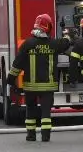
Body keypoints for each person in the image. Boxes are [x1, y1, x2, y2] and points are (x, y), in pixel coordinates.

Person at [8, 13, 63, 143]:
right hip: (48, 87)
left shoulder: (27, 44)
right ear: (48, 27)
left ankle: (31, 135)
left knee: (30, 110)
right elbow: (66, 43)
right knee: (46, 112)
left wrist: (11, 79)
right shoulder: (54, 44)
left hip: (30, 86)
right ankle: (45, 136)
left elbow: (17, 64)